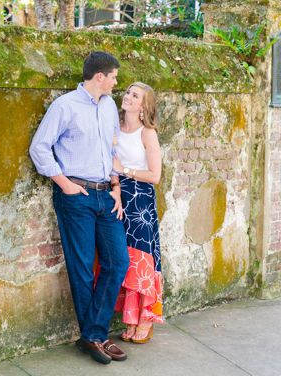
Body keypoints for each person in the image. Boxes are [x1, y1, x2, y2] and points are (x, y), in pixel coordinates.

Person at [29, 51, 129, 365]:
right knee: (83, 269)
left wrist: (116, 186)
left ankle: (92, 335)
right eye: (113, 75)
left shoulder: (110, 106)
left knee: (118, 262)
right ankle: (96, 337)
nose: (116, 81)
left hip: (105, 194)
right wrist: (64, 183)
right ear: (100, 76)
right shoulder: (65, 106)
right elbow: (39, 147)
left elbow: (112, 147)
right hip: (77, 196)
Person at [112, 82, 163, 344]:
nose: (128, 97)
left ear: (143, 106)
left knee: (141, 258)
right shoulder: (114, 125)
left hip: (140, 200)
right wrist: (116, 180)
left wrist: (124, 171)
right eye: (127, 92)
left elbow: (155, 175)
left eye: (135, 95)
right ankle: (130, 318)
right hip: (118, 196)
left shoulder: (147, 132)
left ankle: (145, 318)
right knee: (125, 256)